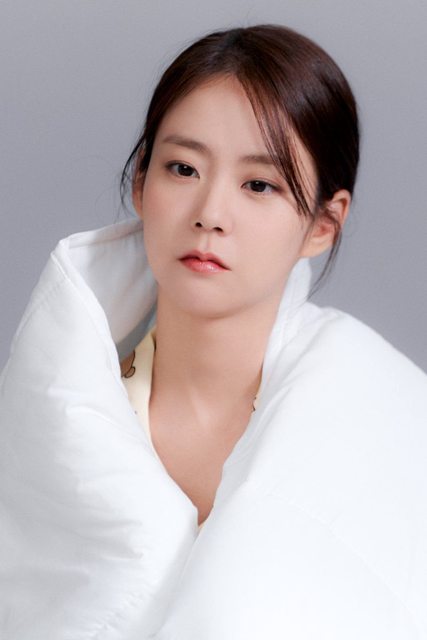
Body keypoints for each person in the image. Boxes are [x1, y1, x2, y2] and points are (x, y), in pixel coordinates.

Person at [0, 24, 426, 640]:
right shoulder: (50, 420)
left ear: (323, 224)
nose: (210, 214)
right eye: (183, 168)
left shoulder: (389, 421)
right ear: (140, 183)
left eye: (259, 185)